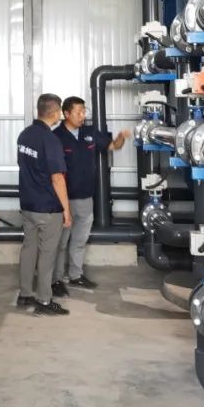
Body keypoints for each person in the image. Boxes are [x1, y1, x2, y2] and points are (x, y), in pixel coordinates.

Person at [51, 95, 131, 294]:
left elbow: (113, 146)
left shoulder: (90, 132)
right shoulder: (56, 137)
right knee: (61, 242)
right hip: (63, 200)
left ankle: (76, 276)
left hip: (86, 197)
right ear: (66, 113)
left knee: (79, 240)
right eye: (78, 112)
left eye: (84, 111)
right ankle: (56, 280)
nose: (82, 116)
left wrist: (121, 137)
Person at [15, 93, 71, 316]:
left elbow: (24, 166)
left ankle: (24, 294)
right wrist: (66, 210)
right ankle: (44, 301)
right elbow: (57, 178)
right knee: (47, 255)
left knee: (28, 249)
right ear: (55, 113)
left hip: (27, 204)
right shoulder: (50, 140)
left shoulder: (24, 135)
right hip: (47, 207)